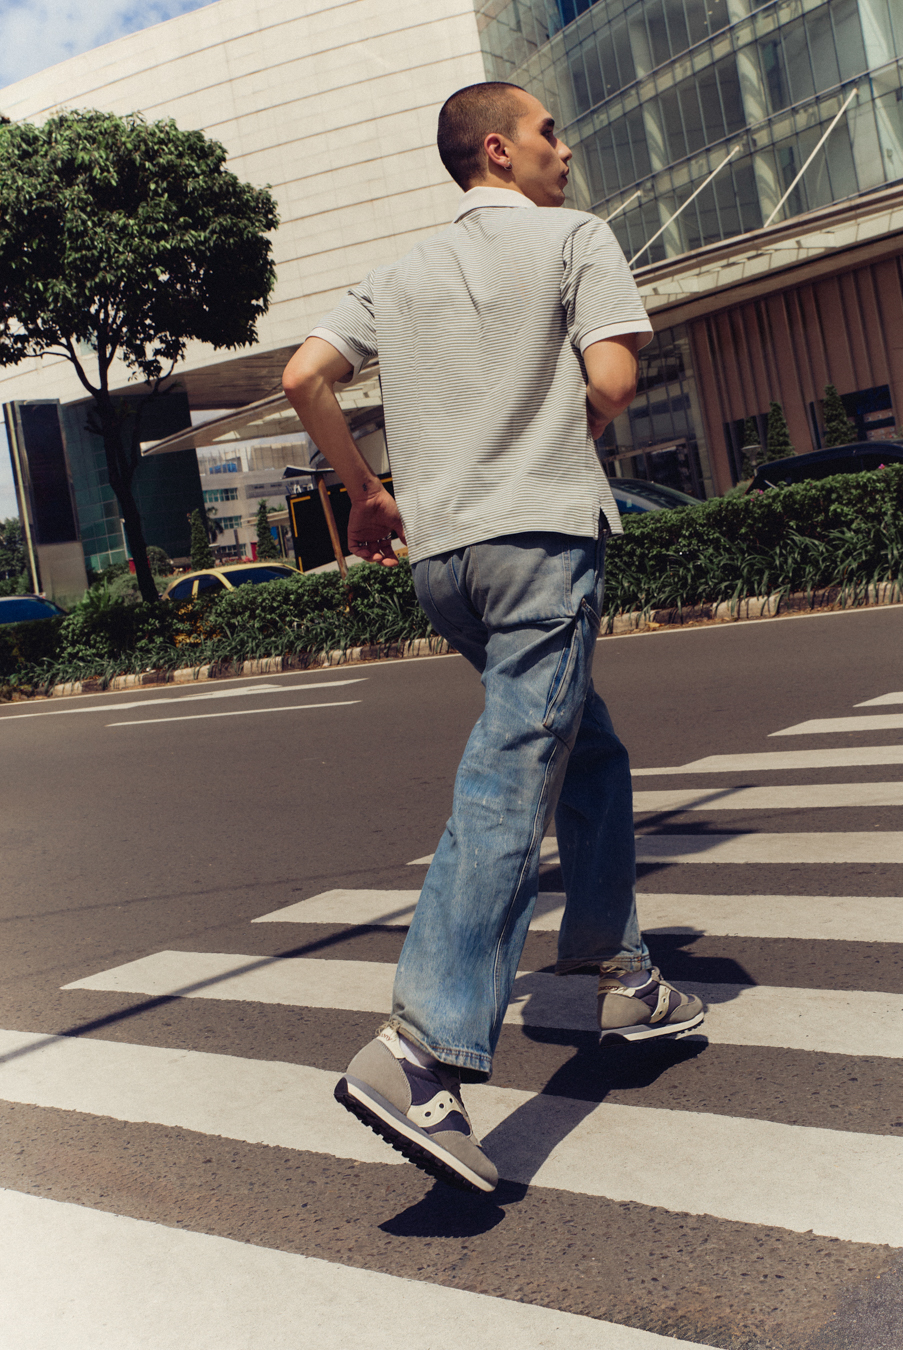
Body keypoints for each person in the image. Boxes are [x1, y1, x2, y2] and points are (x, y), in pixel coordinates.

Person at [282, 82, 705, 1195]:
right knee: (514, 769)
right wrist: (558, 439)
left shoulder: (397, 275)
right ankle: (420, 1050)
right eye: (549, 131)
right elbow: (613, 376)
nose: (566, 147)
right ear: (499, 151)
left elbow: (304, 377)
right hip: (537, 541)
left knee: (584, 748)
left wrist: (366, 493)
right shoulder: (576, 239)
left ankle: (620, 972)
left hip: (442, 562)